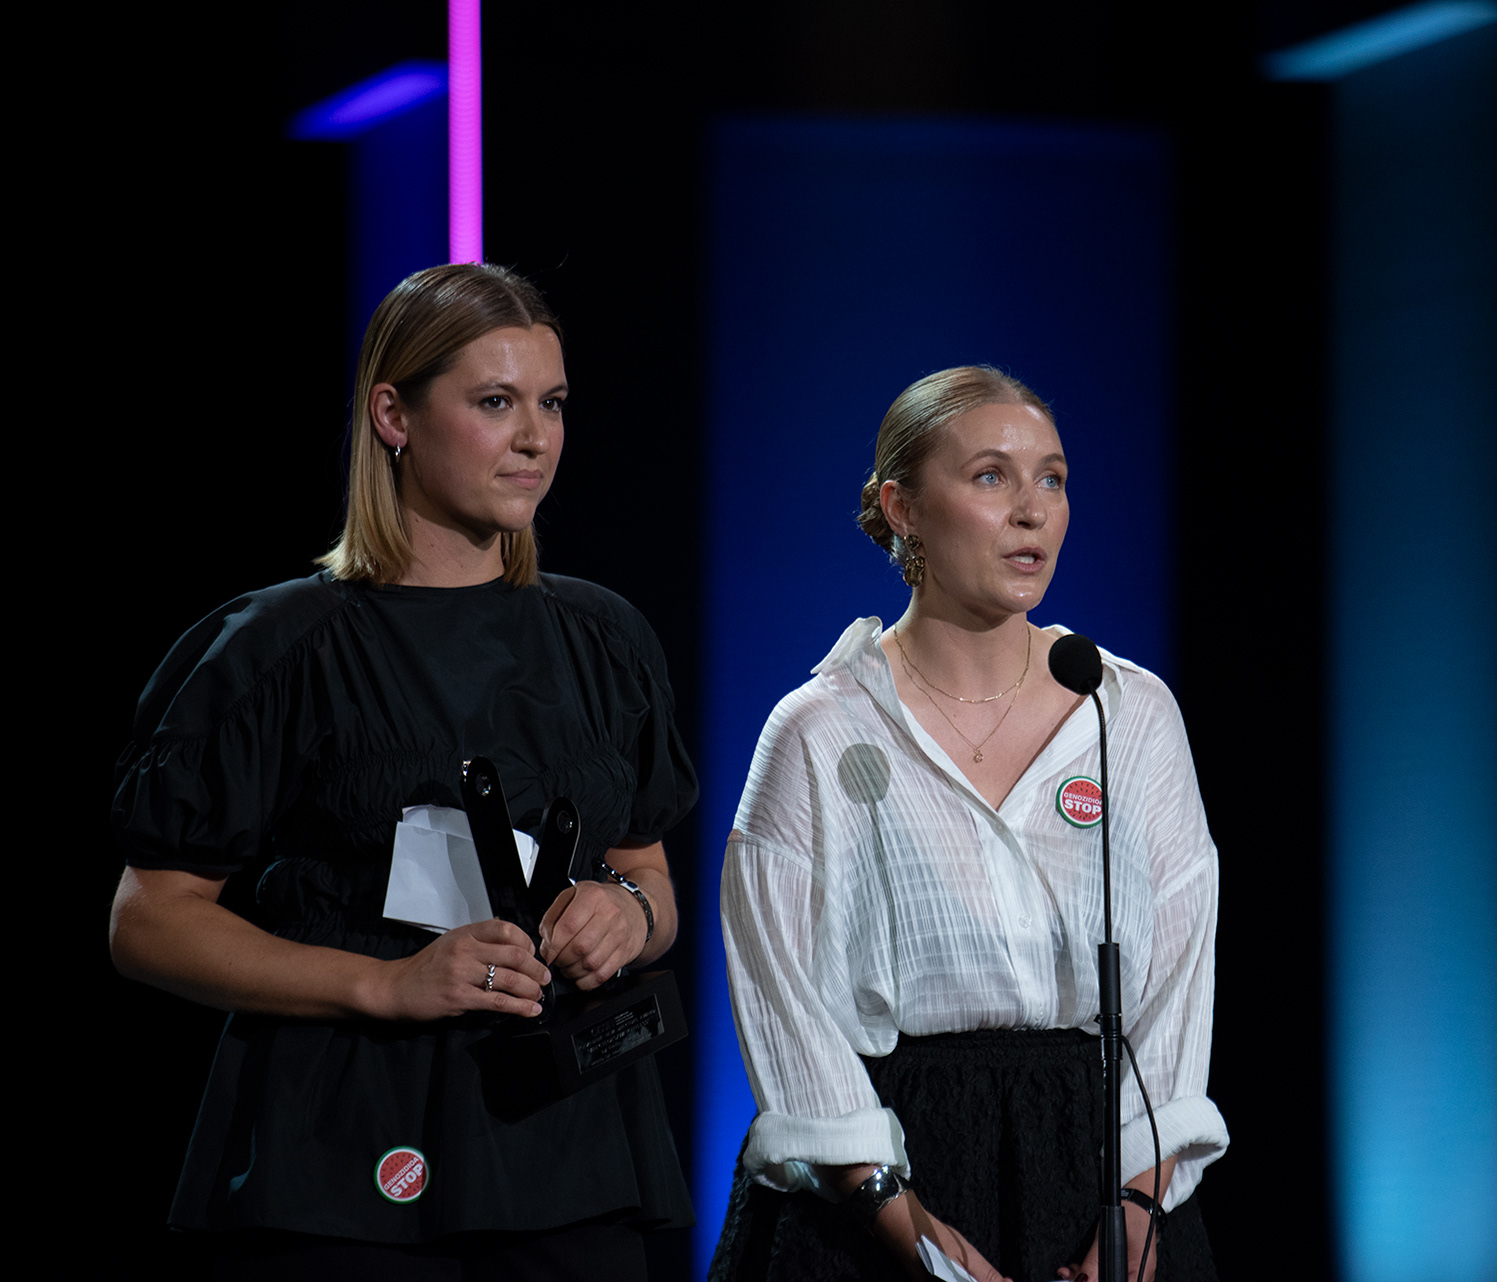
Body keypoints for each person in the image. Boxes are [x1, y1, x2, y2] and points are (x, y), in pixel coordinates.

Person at [108, 263, 695, 1278]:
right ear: (394, 415)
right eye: (495, 403)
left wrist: (629, 916)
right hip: (349, 1138)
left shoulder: (604, 637)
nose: (535, 437)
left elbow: (647, 871)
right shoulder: (283, 644)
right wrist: (384, 984)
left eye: (552, 403)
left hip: (570, 1141)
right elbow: (149, 920)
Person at [710, 367, 1227, 1282]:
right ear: (902, 507)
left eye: (1052, 479)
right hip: (882, 1183)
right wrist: (895, 1213)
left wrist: (1138, 1207)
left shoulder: (1127, 712)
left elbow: (1180, 981)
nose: (1032, 511)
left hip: (1101, 1180)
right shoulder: (819, 730)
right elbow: (782, 1000)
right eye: (992, 476)